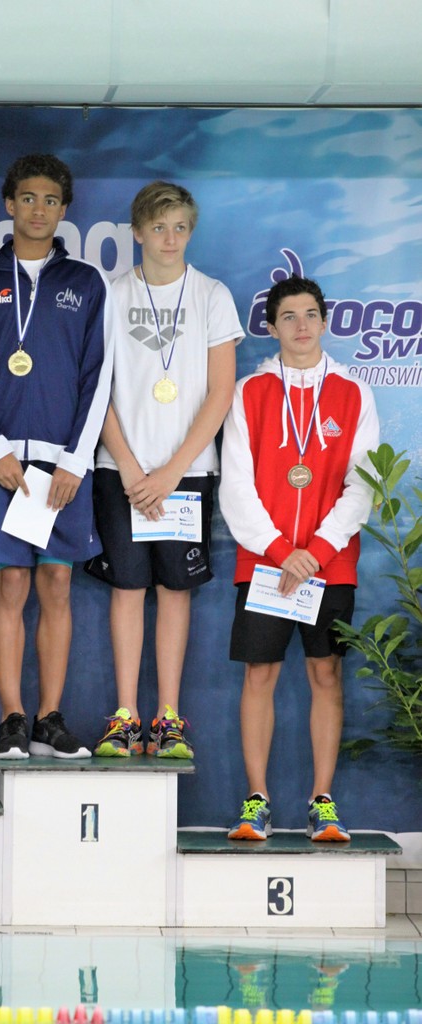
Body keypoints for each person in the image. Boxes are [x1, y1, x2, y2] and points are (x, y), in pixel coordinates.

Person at [0, 154, 114, 760]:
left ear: (64, 209)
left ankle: (50, 718)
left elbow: (99, 376)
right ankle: (12, 718)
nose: (38, 209)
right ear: (9, 204)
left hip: (62, 462)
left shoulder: (87, 282)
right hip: (2, 466)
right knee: (11, 583)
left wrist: (75, 460)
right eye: (27, 198)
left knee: (58, 583)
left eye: (50, 200)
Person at [220, 273, 379, 841]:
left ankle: (322, 801)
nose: (301, 325)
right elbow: (236, 485)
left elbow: (363, 484)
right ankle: (256, 801)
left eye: (311, 314)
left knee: (326, 672)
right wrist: (283, 552)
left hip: (329, 564)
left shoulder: (354, 392)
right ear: (270, 328)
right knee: (259, 674)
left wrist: (316, 551)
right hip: (266, 563)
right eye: (288, 316)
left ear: (326, 322)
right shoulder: (249, 392)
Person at [86, 181, 242, 758]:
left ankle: (168, 719)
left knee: (175, 592)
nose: (170, 239)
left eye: (179, 228)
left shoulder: (212, 295)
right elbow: (95, 390)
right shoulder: (111, 294)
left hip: (188, 474)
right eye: (158, 227)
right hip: (120, 471)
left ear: (190, 232)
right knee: (128, 590)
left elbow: (221, 392)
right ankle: (125, 717)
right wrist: (130, 468)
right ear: (137, 233)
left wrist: (173, 471)